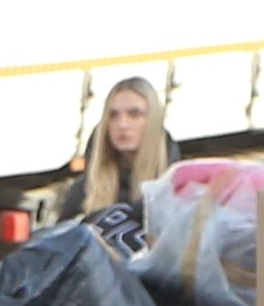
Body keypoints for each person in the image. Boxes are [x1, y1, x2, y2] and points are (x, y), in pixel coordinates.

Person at [40, 74, 171, 226]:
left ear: (153, 120)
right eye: (113, 115)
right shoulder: (84, 189)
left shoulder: (175, 187)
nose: (122, 124)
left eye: (134, 114)